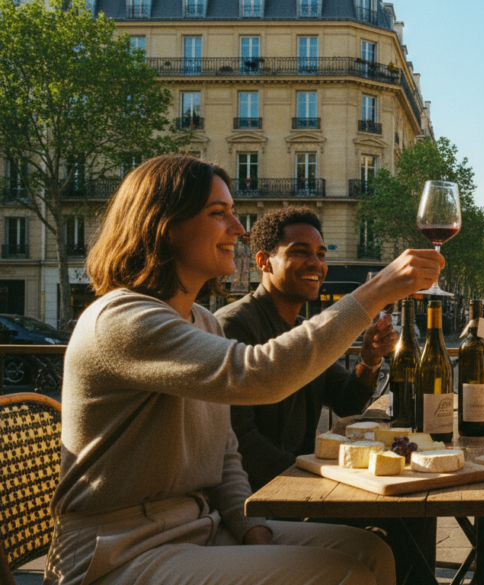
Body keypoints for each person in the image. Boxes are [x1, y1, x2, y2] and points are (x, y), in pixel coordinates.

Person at [45, 154, 443, 585]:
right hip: (117, 550)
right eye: (220, 214)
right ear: (164, 224)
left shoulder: (202, 320)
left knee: (370, 551)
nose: (237, 228)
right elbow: (260, 374)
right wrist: (376, 291)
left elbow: (225, 452)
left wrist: (251, 526)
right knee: (341, 573)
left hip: (200, 528)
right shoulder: (121, 318)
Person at [215, 206, 436, 584]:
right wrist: (319, 477)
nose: (315, 262)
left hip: (295, 485)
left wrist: (367, 360)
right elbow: (239, 439)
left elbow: (347, 399)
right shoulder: (234, 324)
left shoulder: (303, 329)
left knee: (413, 511)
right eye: (300, 251)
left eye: (320, 253)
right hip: (260, 497)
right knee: (405, 514)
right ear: (263, 262)